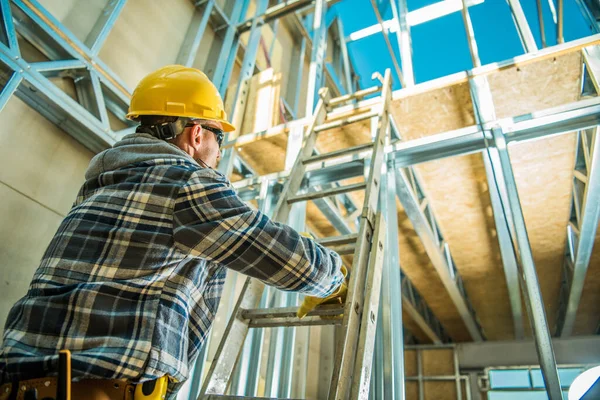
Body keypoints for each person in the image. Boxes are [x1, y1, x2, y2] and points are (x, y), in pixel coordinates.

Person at [0, 65, 346, 400]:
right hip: (101, 385)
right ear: (197, 133)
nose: (219, 151)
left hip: (18, 379)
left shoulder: (101, 184)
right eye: (218, 136)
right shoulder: (186, 181)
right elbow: (282, 255)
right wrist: (334, 277)